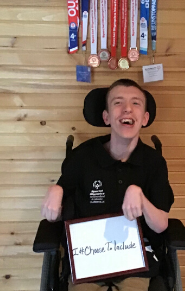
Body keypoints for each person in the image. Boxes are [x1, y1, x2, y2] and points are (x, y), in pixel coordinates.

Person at [40, 79, 174, 291]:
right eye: (118, 103)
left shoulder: (153, 163)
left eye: (136, 103)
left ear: (145, 118)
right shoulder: (81, 157)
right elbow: (54, 216)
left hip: (136, 265)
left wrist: (140, 196)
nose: (127, 109)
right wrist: (55, 190)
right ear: (106, 116)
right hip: (88, 264)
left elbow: (161, 225)